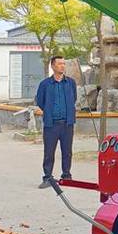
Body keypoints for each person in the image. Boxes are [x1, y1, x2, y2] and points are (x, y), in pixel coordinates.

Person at [35, 56, 77, 188]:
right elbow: (40, 101)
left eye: (64, 64)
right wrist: (49, 112)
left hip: (67, 124)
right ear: (53, 66)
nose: (62, 66)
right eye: (59, 64)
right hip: (51, 124)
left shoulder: (70, 83)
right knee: (49, 152)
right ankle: (48, 177)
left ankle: (66, 176)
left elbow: (73, 98)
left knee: (67, 151)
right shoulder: (45, 84)